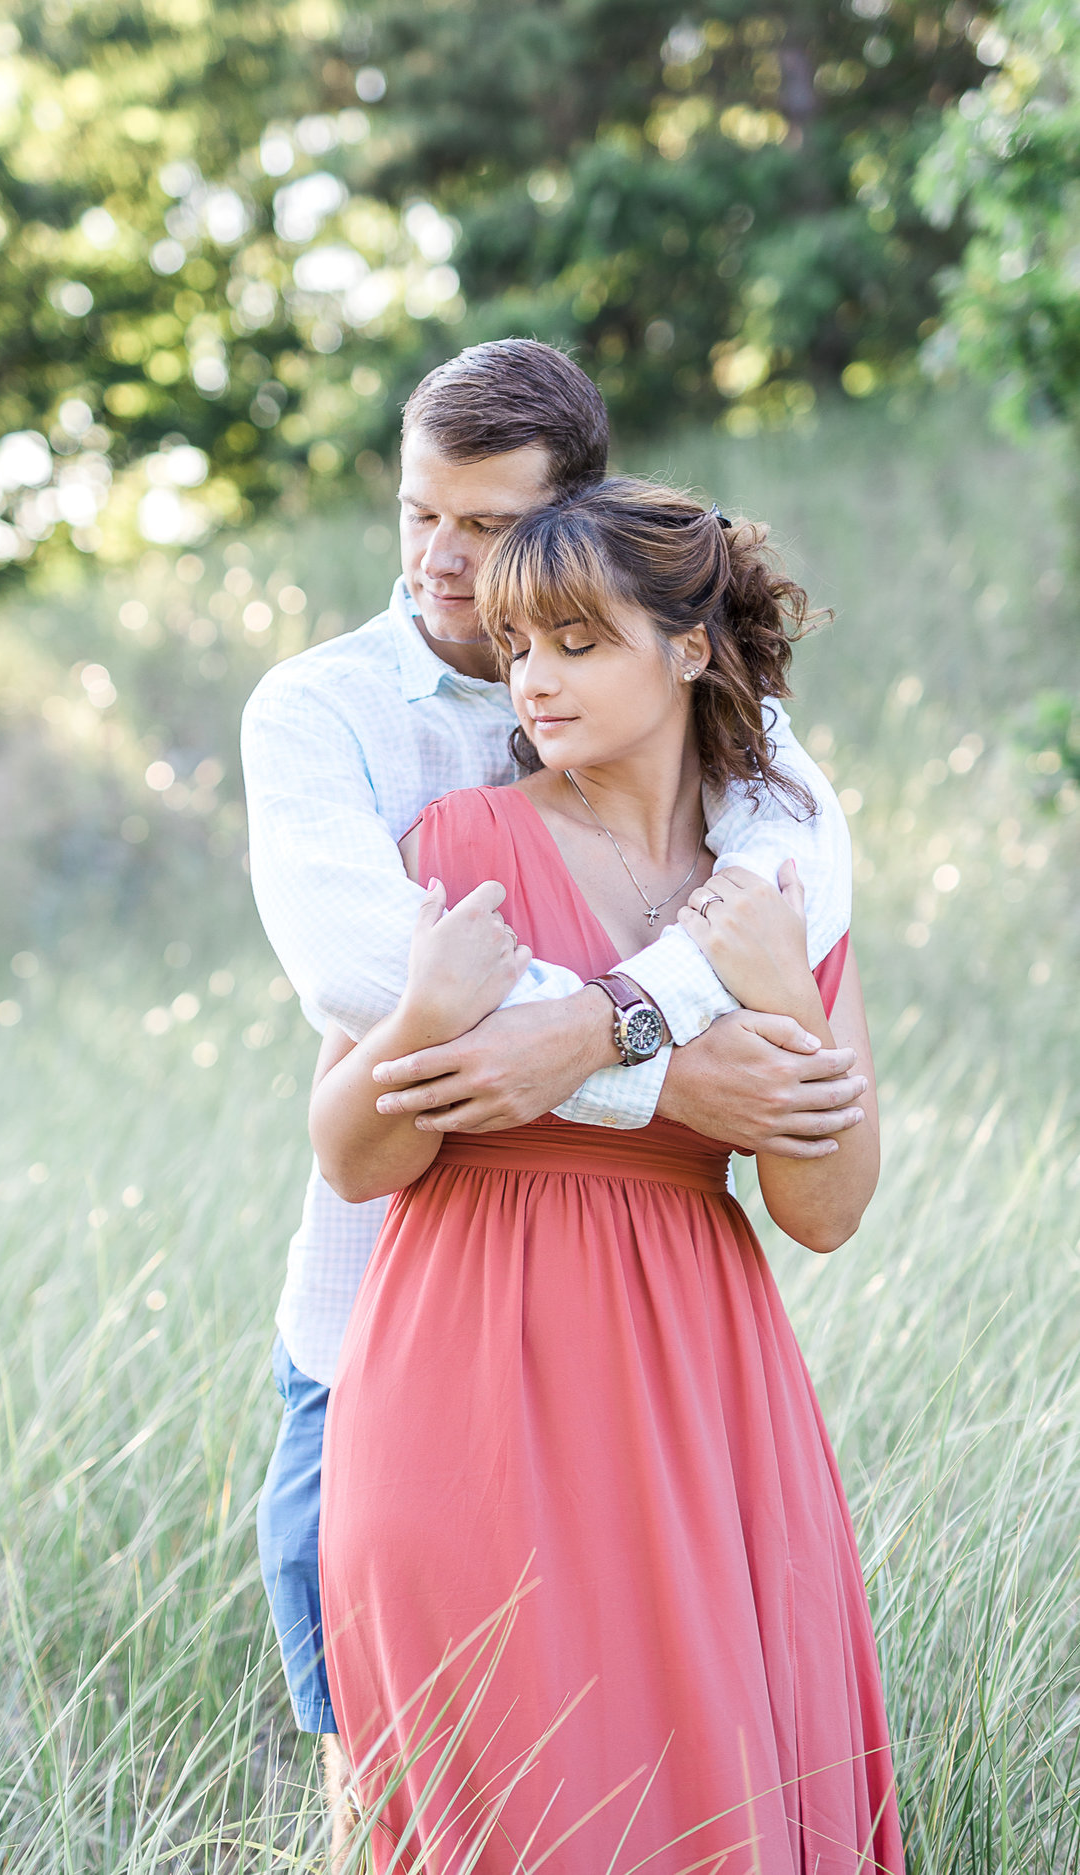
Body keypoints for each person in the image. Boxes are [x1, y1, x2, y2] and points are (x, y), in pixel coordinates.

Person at [237, 340, 865, 1850]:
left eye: (491, 532)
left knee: (693, 1764)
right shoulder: (343, 729)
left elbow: (805, 908)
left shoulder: (751, 784)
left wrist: (615, 1027)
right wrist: (651, 1061)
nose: (451, 570)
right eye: (417, 519)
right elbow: (366, 987)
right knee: (413, 1766)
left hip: (678, 1355)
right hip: (393, 1318)